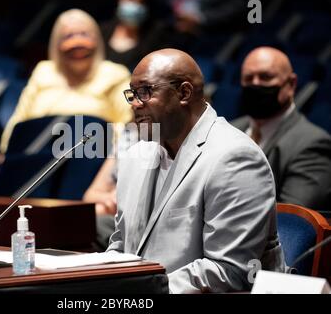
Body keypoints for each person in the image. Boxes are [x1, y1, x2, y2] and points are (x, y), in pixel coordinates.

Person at [107, 48, 285, 293]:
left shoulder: (235, 157)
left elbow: (228, 271)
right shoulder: (136, 157)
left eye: (146, 92)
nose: (135, 104)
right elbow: (120, 247)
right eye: (132, 94)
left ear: (184, 92)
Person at [0, 9, 133, 154]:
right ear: (56, 44)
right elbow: (18, 120)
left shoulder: (115, 74)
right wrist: (5, 152)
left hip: (94, 157)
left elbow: (129, 127)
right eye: (68, 36)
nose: (77, 43)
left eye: (84, 34)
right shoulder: (43, 71)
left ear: (97, 39)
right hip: (37, 155)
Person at [233, 47, 331, 212]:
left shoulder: (313, 144)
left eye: (266, 77)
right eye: (248, 78)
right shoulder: (230, 128)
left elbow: (291, 219)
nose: (255, 84)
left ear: (291, 84)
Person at [101, 0, 172, 71]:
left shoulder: (157, 36)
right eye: (130, 0)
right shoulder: (103, 30)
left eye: (141, 2)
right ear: (119, 0)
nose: (135, 5)